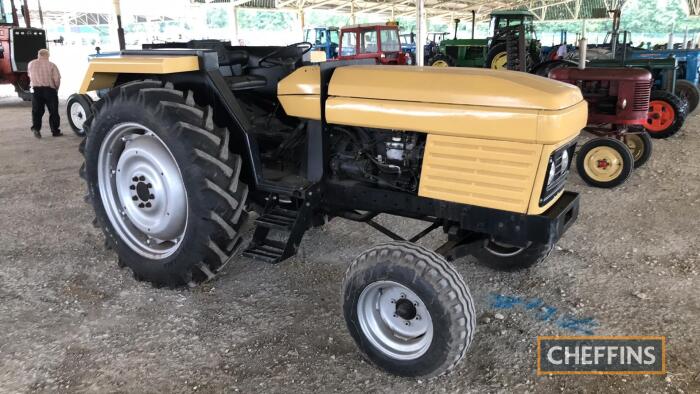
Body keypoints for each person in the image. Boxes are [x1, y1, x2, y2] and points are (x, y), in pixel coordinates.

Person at [27, 48, 61, 138]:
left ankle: (36, 129)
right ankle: (55, 131)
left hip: (36, 90)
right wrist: (56, 88)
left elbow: (29, 75)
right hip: (49, 90)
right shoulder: (51, 65)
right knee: (53, 111)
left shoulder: (31, 64)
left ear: (38, 55)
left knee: (37, 111)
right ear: (47, 55)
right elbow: (57, 79)